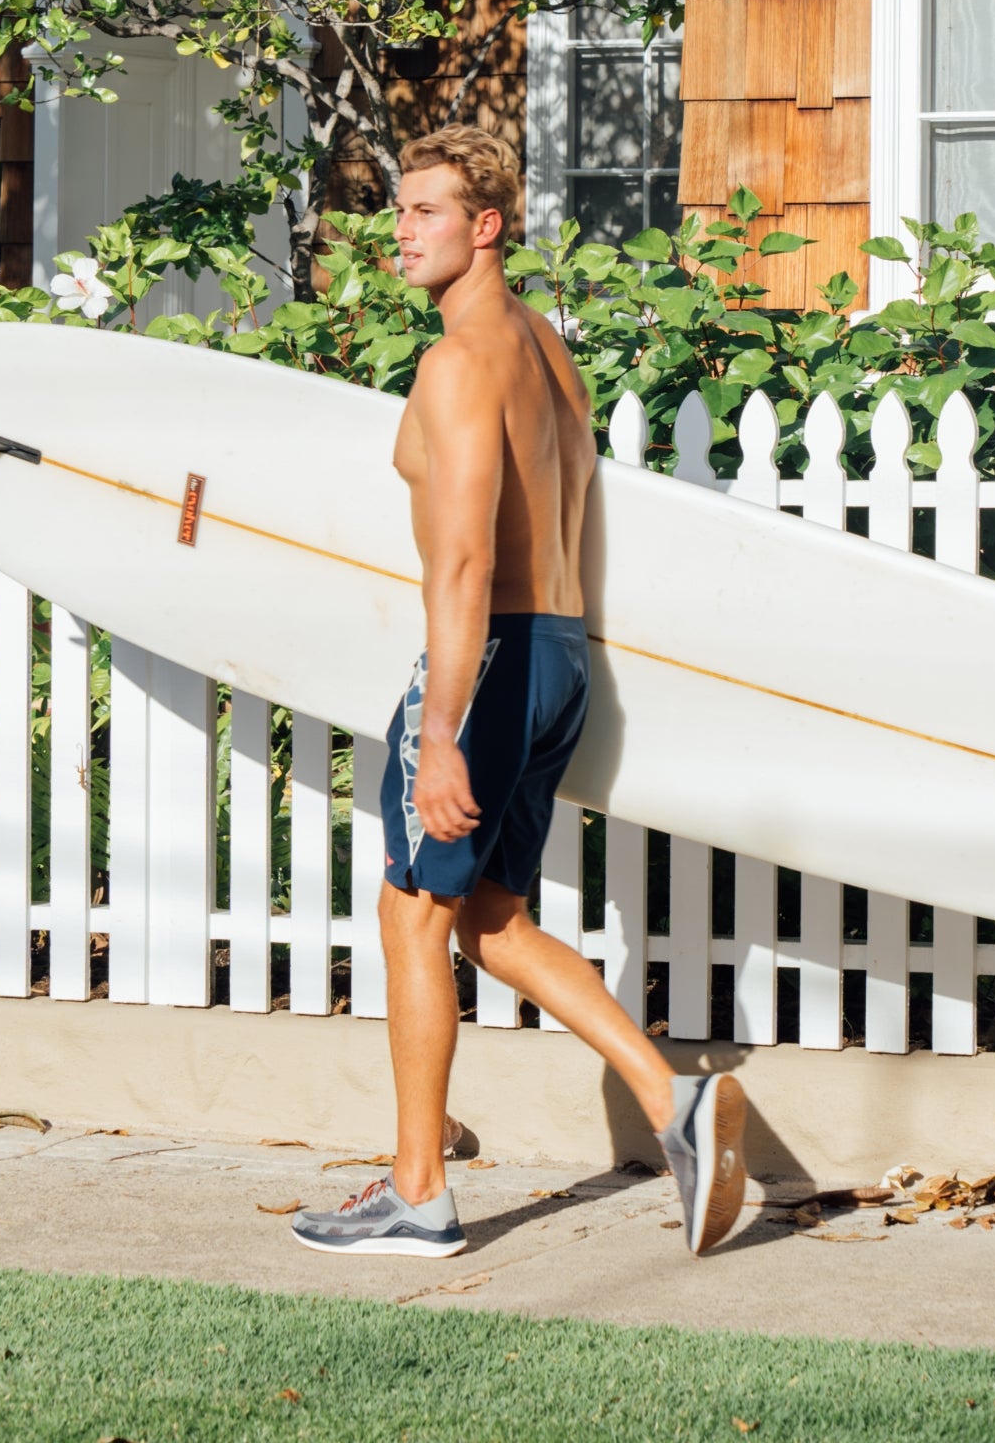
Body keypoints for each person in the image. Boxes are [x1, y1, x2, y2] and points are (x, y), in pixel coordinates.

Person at [291, 126, 748, 1260]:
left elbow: (459, 562)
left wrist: (441, 730)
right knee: (491, 918)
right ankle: (672, 1096)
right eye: (398, 211)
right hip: (556, 655)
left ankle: (417, 1193)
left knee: (411, 912)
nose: (401, 232)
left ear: (486, 225)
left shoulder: (459, 363)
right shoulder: (545, 348)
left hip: (486, 657)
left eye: (426, 212)